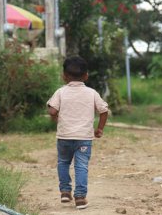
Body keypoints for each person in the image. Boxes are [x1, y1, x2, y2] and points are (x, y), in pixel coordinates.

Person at [46, 56, 108, 209]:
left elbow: (52, 110)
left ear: (64, 76)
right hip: (84, 138)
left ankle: (65, 192)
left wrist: (55, 118)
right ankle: (80, 197)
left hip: (64, 137)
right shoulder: (92, 93)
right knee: (81, 166)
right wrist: (100, 128)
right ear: (86, 76)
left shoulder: (60, 92)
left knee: (63, 162)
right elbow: (104, 110)